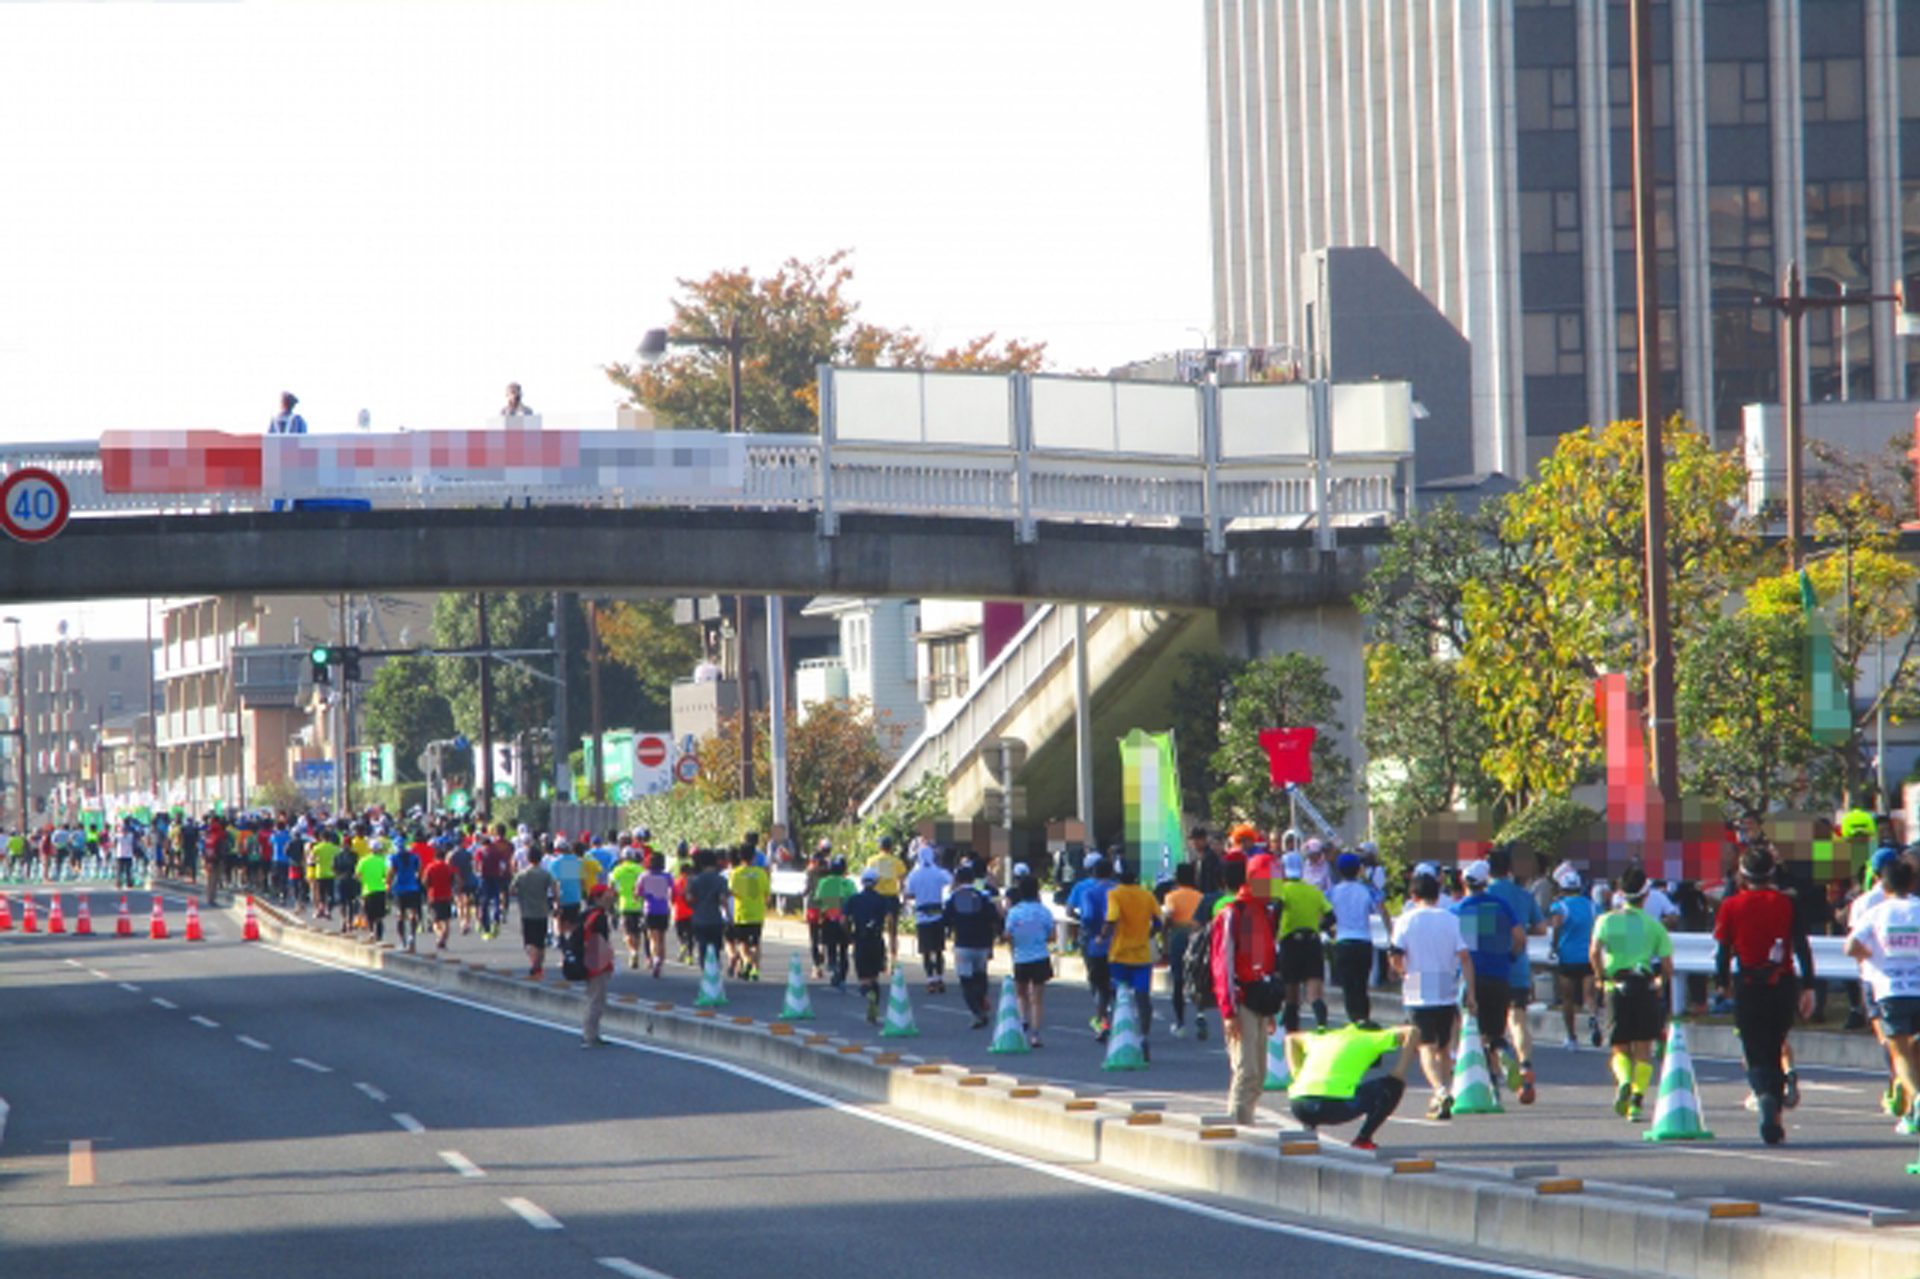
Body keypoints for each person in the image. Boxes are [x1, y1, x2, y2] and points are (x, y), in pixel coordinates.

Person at [1713, 849, 1814, 1144]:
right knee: (1775, 1044)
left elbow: (1722, 951)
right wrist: (1808, 985)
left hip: (1747, 982)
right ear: (1772, 873)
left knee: (1755, 1050)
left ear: (1743, 874)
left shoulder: (1730, 905)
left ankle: (1766, 1097)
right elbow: (1802, 946)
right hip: (1782, 982)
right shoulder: (1787, 903)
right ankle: (1775, 1105)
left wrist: (1721, 983)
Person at [1591, 865, 1674, 1124]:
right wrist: (1660, 981)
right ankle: (1636, 1101)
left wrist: (1600, 976)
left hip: (1616, 986)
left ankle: (1624, 1081)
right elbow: (1668, 966)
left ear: (1620, 893)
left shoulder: (1606, 921)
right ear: (1645, 896)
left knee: (1619, 1046)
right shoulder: (1654, 926)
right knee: (1644, 1048)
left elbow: (1594, 953)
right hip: (1645, 987)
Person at [1390, 870, 1475, 1120]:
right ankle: (1444, 1092)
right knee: (1444, 1047)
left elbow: (1395, 954)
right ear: (1438, 896)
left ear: (1413, 895)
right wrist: (1470, 991)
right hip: (1446, 988)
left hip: (1418, 989)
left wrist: (1402, 971)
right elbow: (1465, 957)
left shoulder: (1406, 920)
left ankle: (1438, 1091)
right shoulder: (1450, 919)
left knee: (1424, 1047)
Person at [1845, 855, 1920, 1134]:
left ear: (1882, 884)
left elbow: (1851, 946)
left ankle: (1917, 1101)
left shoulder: (1876, 912)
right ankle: (1913, 1109)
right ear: (1912, 883)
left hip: (1891, 990)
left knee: (1900, 1052)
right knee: (1915, 1050)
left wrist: (1873, 957)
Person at [1211, 859, 1279, 1125]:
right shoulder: (1232, 913)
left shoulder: (1266, 914)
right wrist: (1228, 1011)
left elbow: (1268, 963)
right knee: (1246, 1070)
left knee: (1259, 1074)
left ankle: (1245, 1122)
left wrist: (1272, 1008)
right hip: (1240, 1000)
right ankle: (1237, 1130)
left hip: (1260, 999)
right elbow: (1222, 965)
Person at [1454, 859, 1525, 1104]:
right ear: (1486, 883)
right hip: (1500, 975)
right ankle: (1504, 1051)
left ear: (1464, 881)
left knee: (1476, 1034)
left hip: (1472, 978)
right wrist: (1510, 955)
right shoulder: (1501, 906)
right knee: (1496, 1031)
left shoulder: (1459, 909)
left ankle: (1491, 1085)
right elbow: (1519, 937)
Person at [1285, 1022, 1417, 1152]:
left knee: (1317, 1090)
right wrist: (1398, 1072)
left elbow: (1290, 1038)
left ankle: (1309, 1129)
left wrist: (1297, 1074)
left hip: (1298, 1105)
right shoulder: (1371, 1037)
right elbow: (1412, 1031)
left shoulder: (1325, 1036)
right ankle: (1363, 1139)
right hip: (1335, 1107)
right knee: (1393, 1086)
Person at [1485, 846, 1545, 1103]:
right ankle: (1526, 1065)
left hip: (1491, 967)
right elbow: (1541, 928)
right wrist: (1521, 932)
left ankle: (1496, 1080)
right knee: (1517, 1020)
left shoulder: (1485, 894)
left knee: (1491, 1030)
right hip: (1519, 966)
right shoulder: (1523, 895)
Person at [1104, 859, 1164, 1057]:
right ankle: (1143, 1036)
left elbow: (1112, 918)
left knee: (1119, 996)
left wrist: (1101, 935)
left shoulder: (1115, 894)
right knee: (1143, 997)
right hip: (1141, 954)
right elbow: (1158, 921)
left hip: (1119, 953)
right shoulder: (1147, 895)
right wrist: (1149, 934)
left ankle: (1120, 1033)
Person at [1326, 851, 1389, 1027]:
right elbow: (1381, 909)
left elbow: (1324, 913)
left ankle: (1353, 1020)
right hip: (1363, 942)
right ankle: (1364, 1019)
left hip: (1343, 942)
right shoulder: (1366, 890)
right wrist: (1390, 934)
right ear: (1358, 869)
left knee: (1348, 987)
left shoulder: (1332, 892)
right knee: (1362, 985)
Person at [1273, 850, 1331, 1033]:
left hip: (1290, 942)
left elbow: (1276, 911)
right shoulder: (1313, 890)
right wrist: (1317, 926)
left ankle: (1292, 1033)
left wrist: (1273, 933)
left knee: (1291, 993)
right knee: (1314, 992)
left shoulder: (1281, 890)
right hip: (1312, 942)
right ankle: (1321, 1024)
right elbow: (1331, 916)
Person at [1547, 865, 1600, 1048]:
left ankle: (1571, 1037)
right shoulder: (1593, 906)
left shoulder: (1559, 907)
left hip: (1567, 957)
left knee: (1567, 999)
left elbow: (1556, 927)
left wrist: (1553, 947)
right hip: (1588, 957)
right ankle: (1593, 1017)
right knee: (1589, 996)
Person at [943, 863, 1000, 1026]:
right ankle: (981, 999)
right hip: (982, 945)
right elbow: (994, 918)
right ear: (974, 879)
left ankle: (977, 1012)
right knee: (981, 976)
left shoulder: (953, 898)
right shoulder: (983, 896)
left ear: (957, 880)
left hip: (963, 945)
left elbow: (945, 920)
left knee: (966, 981)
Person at [1074, 854, 1118, 1039]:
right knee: (1116, 982)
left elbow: (1088, 917)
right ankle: (1119, 1017)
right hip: (1119, 942)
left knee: (1099, 984)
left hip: (1096, 943)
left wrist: (1095, 932)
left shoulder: (1087, 891)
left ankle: (1103, 1020)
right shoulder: (1119, 890)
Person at [1163, 862, 1205, 1038]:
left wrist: (1164, 935)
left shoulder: (1171, 896)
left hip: (1179, 936)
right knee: (1197, 976)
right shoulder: (1200, 896)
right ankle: (1200, 1014)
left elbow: (1168, 915)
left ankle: (1180, 1023)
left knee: (1178, 980)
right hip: (1197, 936)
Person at [905, 844, 954, 994]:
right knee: (939, 950)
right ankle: (939, 978)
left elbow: (908, 894)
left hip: (922, 917)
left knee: (926, 951)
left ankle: (930, 980)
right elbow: (951, 881)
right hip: (937, 915)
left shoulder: (914, 875)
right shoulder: (938, 872)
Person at [846, 868, 893, 1023]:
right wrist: (892, 938)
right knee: (874, 977)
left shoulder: (854, 899)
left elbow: (843, 919)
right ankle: (875, 1007)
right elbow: (890, 919)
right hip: (876, 941)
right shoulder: (882, 900)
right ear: (876, 882)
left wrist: (849, 935)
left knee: (863, 978)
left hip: (860, 940)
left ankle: (868, 994)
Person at [578, 884, 616, 1048]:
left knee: (594, 997)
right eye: (607, 896)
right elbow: (600, 941)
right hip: (596, 961)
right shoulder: (597, 916)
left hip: (588, 959)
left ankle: (592, 1033)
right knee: (596, 999)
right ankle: (590, 1035)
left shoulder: (587, 914)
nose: (611, 899)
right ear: (598, 898)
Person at [812, 856, 858, 989]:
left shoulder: (823, 882)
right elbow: (854, 900)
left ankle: (833, 968)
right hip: (845, 921)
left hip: (828, 919)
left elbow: (818, 900)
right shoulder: (849, 883)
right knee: (844, 950)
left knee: (831, 947)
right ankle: (842, 977)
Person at [510, 847, 556, 978]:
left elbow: (512, 890)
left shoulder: (522, 875)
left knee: (529, 942)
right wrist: (556, 903)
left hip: (527, 912)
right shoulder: (545, 874)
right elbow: (554, 889)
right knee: (541, 941)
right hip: (542, 911)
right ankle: (539, 966)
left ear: (528, 859)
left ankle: (534, 964)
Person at [728, 845, 770, 981]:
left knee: (742, 943)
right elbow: (767, 895)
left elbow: (732, 892)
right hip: (757, 913)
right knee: (756, 943)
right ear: (754, 857)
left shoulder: (735, 873)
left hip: (742, 913)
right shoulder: (761, 873)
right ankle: (755, 970)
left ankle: (746, 962)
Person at [864, 836, 908, 963]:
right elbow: (902, 881)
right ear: (891, 847)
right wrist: (903, 897)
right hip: (891, 897)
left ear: (880, 846)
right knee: (892, 931)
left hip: (876, 898)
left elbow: (868, 879)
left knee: (876, 929)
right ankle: (893, 959)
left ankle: (880, 957)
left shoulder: (871, 861)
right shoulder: (897, 862)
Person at [687, 849, 731, 973]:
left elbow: (689, 898)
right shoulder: (720, 879)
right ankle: (715, 966)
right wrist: (729, 916)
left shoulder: (694, 879)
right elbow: (723, 900)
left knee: (702, 945)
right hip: (715, 918)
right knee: (716, 946)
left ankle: (705, 970)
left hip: (699, 918)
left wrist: (695, 906)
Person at [609, 847, 646, 971]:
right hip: (639, 904)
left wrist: (612, 902)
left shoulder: (617, 870)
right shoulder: (640, 869)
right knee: (637, 931)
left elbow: (611, 887)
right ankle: (636, 950)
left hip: (624, 904)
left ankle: (632, 951)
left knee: (627, 931)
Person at [638, 852, 675, 977]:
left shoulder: (644, 876)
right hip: (663, 909)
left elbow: (638, 892)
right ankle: (661, 961)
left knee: (652, 937)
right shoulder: (667, 877)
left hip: (650, 909)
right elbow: (674, 891)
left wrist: (645, 896)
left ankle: (655, 960)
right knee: (661, 938)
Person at [389, 834, 425, 953]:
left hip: (400, 888)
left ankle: (402, 940)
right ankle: (412, 937)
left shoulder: (394, 858)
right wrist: (416, 879)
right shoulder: (414, 857)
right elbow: (419, 870)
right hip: (413, 887)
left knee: (400, 914)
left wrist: (388, 884)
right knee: (413, 914)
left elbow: (391, 873)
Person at [421, 845, 457, 951]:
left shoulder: (430, 867)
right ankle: (443, 939)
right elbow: (453, 880)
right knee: (446, 920)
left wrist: (428, 888)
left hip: (434, 895)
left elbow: (425, 881)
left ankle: (439, 935)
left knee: (435, 920)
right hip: (446, 895)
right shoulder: (448, 867)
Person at [356, 838, 392, 943]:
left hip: (368, 891)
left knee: (369, 915)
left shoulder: (363, 860)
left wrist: (364, 881)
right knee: (379, 916)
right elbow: (387, 875)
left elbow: (358, 875)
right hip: (380, 890)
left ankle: (372, 933)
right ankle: (379, 937)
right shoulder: (382, 861)